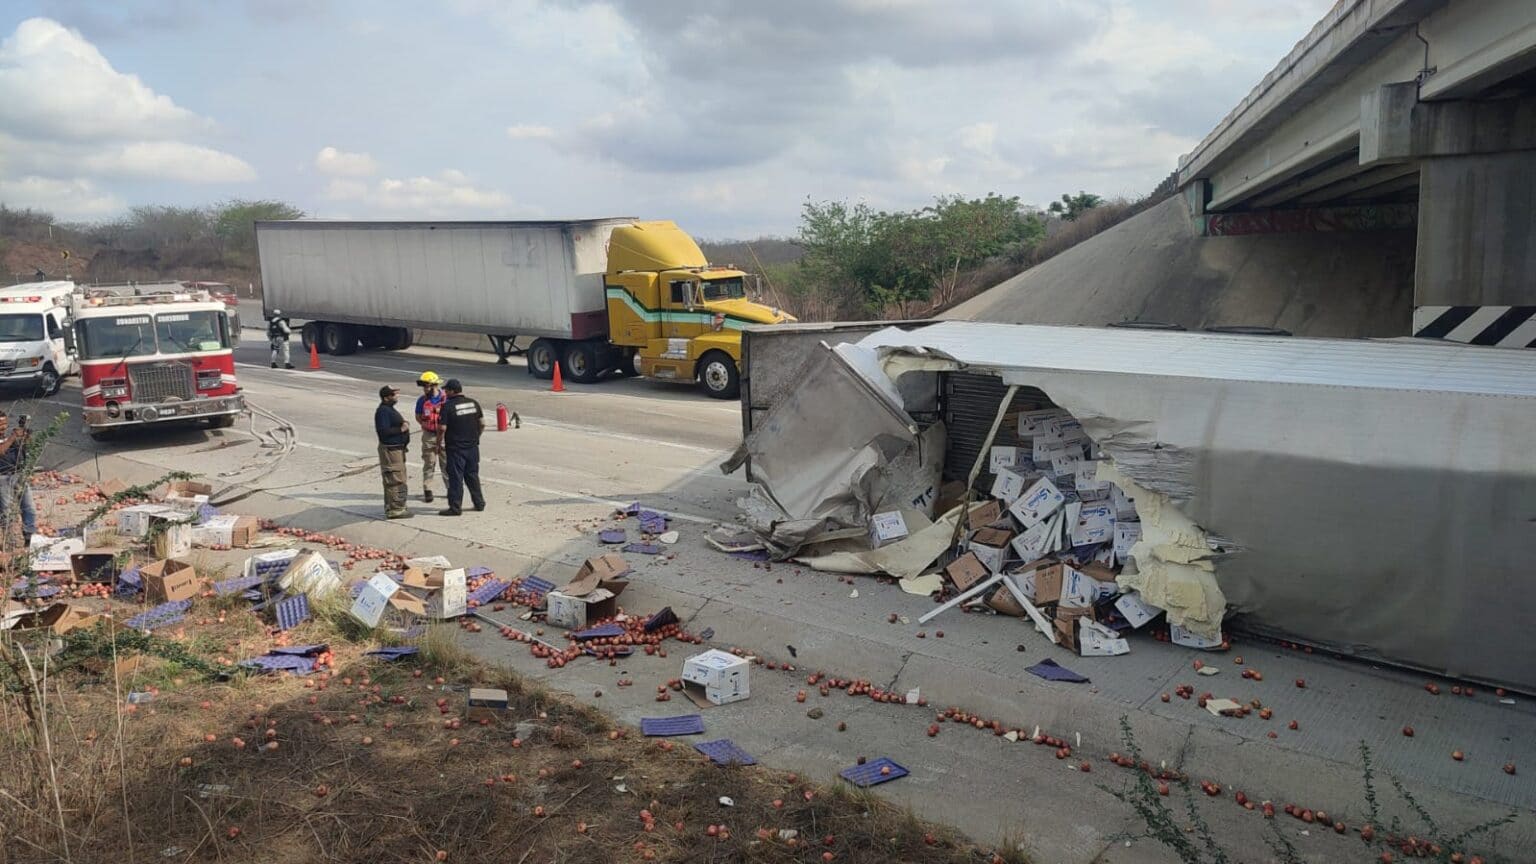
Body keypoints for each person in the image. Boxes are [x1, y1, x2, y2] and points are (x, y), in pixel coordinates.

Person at [437, 378, 485, 516]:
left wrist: (438, 444)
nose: (445, 392)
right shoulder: (473, 403)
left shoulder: (447, 406)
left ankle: (455, 507)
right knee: (472, 475)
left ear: (452, 391)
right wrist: (476, 437)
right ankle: (479, 503)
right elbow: (482, 423)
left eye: (446, 390)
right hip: (472, 447)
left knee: (456, 478)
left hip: (456, 449)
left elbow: (442, 428)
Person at [374, 385, 412, 519]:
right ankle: (395, 509)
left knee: (399, 477)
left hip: (397, 449)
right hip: (390, 451)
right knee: (395, 479)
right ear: (386, 397)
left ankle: (396, 505)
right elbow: (383, 432)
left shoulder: (389, 409)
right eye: (393, 394)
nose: (396, 396)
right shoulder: (383, 411)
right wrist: (401, 429)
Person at [0, 410, 36, 549]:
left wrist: (26, 436)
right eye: (0, 425)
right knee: (7, 512)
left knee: (29, 508)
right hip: (2, 478)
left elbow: (25, 450)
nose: (3, 427)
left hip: (18, 475)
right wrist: (13, 437)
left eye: (5, 424)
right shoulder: (9, 438)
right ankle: (10, 543)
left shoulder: (8, 438)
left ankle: (29, 536)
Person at [414, 370, 447, 503]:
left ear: (435, 385)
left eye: (428, 386)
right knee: (429, 463)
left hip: (444, 434)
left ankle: (451, 489)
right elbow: (418, 416)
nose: (425, 389)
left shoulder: (445, 399)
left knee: (446, 463)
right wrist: (425, 425)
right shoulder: (422, 400)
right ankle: (428, 489)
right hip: (429, 434)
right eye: (424, 386)